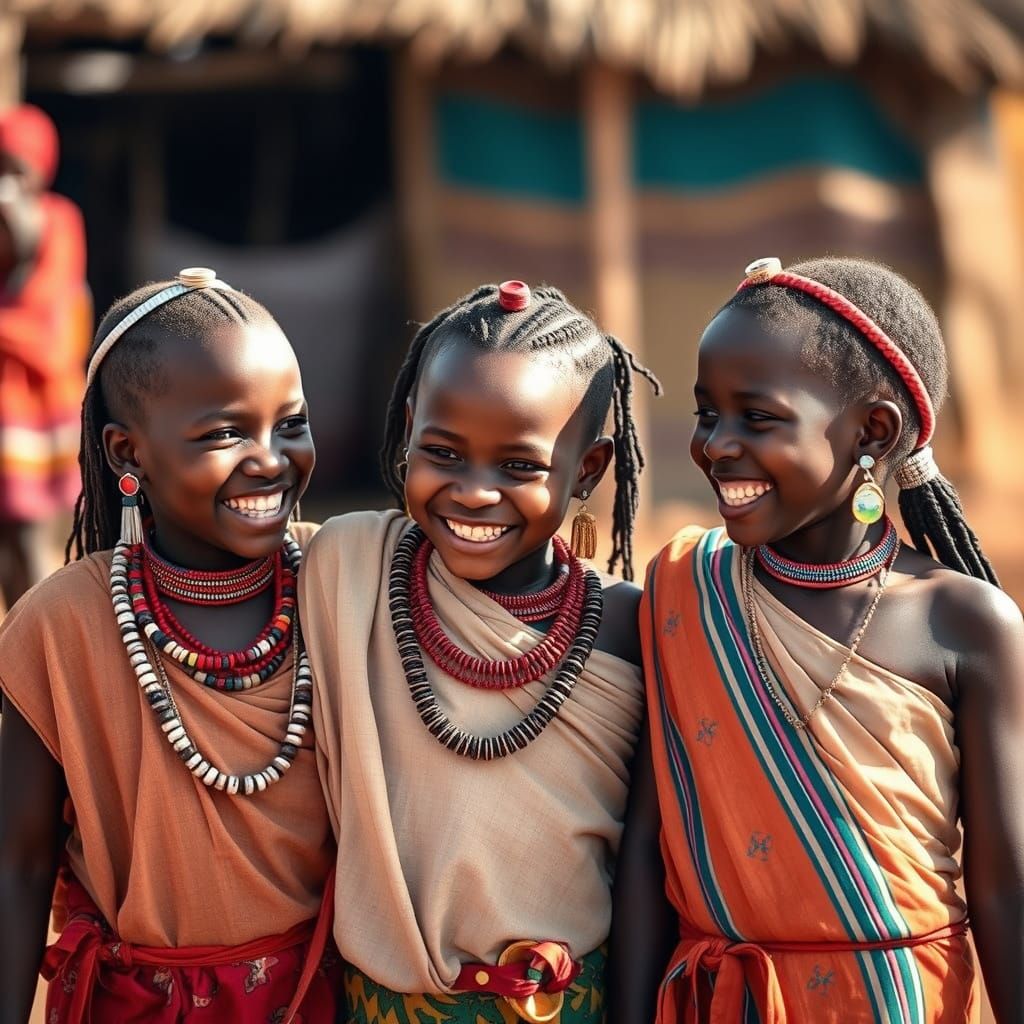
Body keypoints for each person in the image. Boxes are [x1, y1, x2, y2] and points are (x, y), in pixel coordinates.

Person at [616, 256, 1024, 1023]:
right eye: (707, 413)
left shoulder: (965, 622)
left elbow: (1005, 889)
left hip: (899, 1003)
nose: (716, 444)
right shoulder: (686, 589)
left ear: (873, 431)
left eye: (757, 417)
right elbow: (646, 843)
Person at [299, 280, 660, 1023]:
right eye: (443, 453)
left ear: (589, 469)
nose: (473, 492)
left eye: (519, 467)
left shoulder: (630, 627)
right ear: (408, 430)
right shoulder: (349, 568)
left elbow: (645, 866)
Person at [0, 268, 339, 1023]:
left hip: (317, 999)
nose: (270, 459)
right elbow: (18, 864)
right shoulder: (62, 625)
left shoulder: (337, 581)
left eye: (290, 422)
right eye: (224, 433)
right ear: (128, 453)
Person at [0, 104, 89, 609]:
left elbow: (43, 315)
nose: (7, 182)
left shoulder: (58, 220)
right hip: (8, 404)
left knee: (30, 534)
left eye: (17, 169)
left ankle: (37, 643)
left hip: (38, 407)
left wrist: (21, 230)